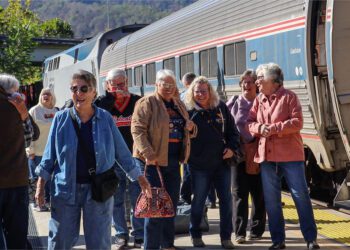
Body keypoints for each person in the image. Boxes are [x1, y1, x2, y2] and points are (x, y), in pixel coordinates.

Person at [35, 70, 151, 250]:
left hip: (99, 190)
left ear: (94, 92)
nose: (78, 93)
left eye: (84, 89)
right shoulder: (60, 119)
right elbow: (49, 156)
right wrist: (40, 186)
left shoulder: (105, 118)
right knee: (59, 240)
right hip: (65, 190)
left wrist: (140, 177)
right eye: (74, 89)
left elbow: (122, 152)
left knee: (99, 242)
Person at [246, 63, 320, 250]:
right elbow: (249, 123)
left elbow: (297, 122)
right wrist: (259, 128)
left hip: (290, 156)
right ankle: (278, 241)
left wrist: (273, 129)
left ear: (273, 80)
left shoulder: (289, 97)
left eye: (261, 78)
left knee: (300, 196)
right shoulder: (259, 99)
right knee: (271, 200)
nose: (257, 81)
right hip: (267, 158)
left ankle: (311, 239)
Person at [131, 69, 196, 250]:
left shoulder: (178, 104)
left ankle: (167, 244)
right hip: (152, 163)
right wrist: (148, 154)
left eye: (171, 85)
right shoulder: (147, 102)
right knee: (154, 208)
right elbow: (137, 130)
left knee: (170, 205)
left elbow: (186, 126)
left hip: (173, 161)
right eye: (164, 84)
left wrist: (191, 128)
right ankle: (150, 246)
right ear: (156, 84)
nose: (168, 88)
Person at [183, 76, 240, 249]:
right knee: (199, 200)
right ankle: (196, 234)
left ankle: (226, 237)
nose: (200, 94)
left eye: (204, 91)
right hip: (198, 165)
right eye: (197, 91)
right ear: (192, 93)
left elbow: (233, 131)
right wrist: (187, 130)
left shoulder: (220, 108)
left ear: (210, 92)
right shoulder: (188, 111)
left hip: (221, 163)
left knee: (226, 200)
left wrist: (231, 148)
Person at [95, 68, 143, 249]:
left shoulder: (138, 101)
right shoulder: (101, 103)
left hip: (135, 157)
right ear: (107, 85)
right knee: (117, 199)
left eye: (122, 83)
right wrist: (110, 98)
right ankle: (121, 235)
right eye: (115, 85)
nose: (120, 88)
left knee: (138, 197)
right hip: (112, 160)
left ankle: (139, 234)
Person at [227, 70, 266, 244]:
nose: (246, 85)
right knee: (238, 193)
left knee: (258, 193)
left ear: (256, 85)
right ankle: (240, 232)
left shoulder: (263, 102)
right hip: (238, 154)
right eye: (244, 81)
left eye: (250, 82)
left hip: (259, 152)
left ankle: (257, 230)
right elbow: (224, 124)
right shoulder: (234, 102)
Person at [0, 74, 34, 249]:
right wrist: (22, 112)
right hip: (16, 180)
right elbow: (29, 138)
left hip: (13, 180)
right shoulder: (16, 109)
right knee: (17, 232)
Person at [27, 88, 58, 212]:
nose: (46, 96)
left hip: (52, 152)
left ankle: (49, 202)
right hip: (37, 152)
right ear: (40, 96)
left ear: (52, 97)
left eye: (48, 94)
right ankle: (37, 203)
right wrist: (30, 149)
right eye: (44, 94)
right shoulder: (34, 111)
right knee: (36, 179)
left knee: (51, 180)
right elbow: (28, 131)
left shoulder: (57, 111)